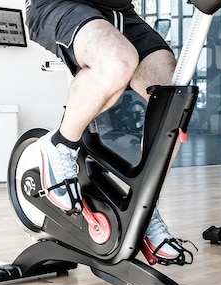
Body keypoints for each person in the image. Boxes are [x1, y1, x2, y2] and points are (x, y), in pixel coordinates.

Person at [25, 0, 192, 264]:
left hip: (119, 10)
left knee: (173, 92)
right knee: (116, 61)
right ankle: (60, 144)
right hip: (60, 3)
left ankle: (143, 208)